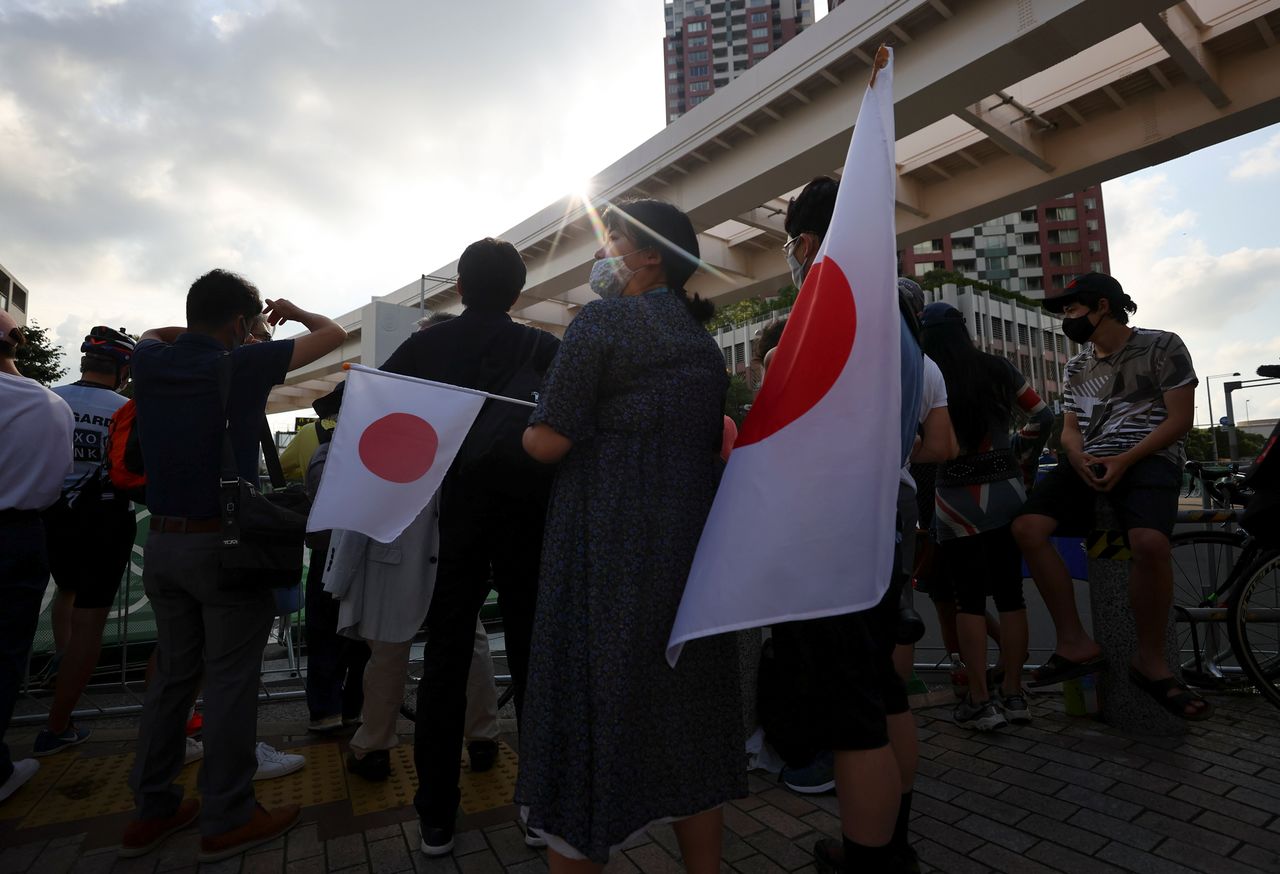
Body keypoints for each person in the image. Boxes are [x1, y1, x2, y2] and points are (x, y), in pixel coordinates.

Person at [518, 199, 746, 870]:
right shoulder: (703, 347)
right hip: (684, 555)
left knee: (587, 717)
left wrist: (529, 424)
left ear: (649, 256)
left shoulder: (603, 322)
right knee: (686, 717)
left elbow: (547, 441)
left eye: (611, 238)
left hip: (603, 548)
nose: (600, 250)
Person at [121, 269, 345, 862]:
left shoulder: (148, 361)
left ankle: (152, 810)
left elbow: (153, 331)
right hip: (222, 547)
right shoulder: (243, 365)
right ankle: (227, 815)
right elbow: (335, 333)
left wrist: (214, 326)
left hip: (164, 548)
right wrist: (290, 312)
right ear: (243, 325)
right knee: (228, 683)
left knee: (172, 680)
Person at [378, 238, 559, 855]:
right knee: (537, 656)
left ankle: (435, 817)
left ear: (458, 286)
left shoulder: (428, 344)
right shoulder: (542, 347)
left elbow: (376, 409)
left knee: (447, 658)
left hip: (451, 519)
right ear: (518, 291)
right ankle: (539, 807)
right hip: (529, 516)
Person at [762, 177, 921, 874]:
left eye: (791, 244)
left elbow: (794, 436)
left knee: (854, 720)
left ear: (805, 241)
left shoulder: (830, 311)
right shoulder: (895, 310)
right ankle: (892, 842)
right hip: (879, 531)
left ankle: (869, 859)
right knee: (885, 697)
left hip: (836, 542)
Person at [1013, 272, 1209, 719]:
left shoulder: (1163, 345)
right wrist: (1077, 457)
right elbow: (1070, 429)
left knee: (1150, 543)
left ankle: (1152, 661)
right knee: (1027, 528)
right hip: (1091, 460)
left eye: (1072, 308)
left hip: (1150, 457)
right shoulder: (1077, 366)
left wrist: (1126, 458)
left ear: (1102, 306)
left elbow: (1179, 420)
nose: (1067, 317)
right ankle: (1074, 641)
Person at [921, 303, 1052, 731]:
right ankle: (1014, 694)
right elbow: (1042, 414)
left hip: (954, 498)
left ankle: (980, 702)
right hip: (1006, 491)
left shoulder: (925, 375)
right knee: (1011, 596)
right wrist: (1020, 456)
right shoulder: (997, 368)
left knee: (967, 600)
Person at [34, 328, 138, 757]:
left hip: (51, 516)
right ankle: (57, 724)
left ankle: (63, 663)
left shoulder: (47, 397)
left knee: (66, 592)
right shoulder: (128, 408)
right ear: (124, 370)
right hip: (106, 521)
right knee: (91, 623)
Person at [0, 310, 74, 805]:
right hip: (18, 536)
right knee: (5, 653)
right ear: (18, 342)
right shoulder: (50, 406)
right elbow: (55, 482)